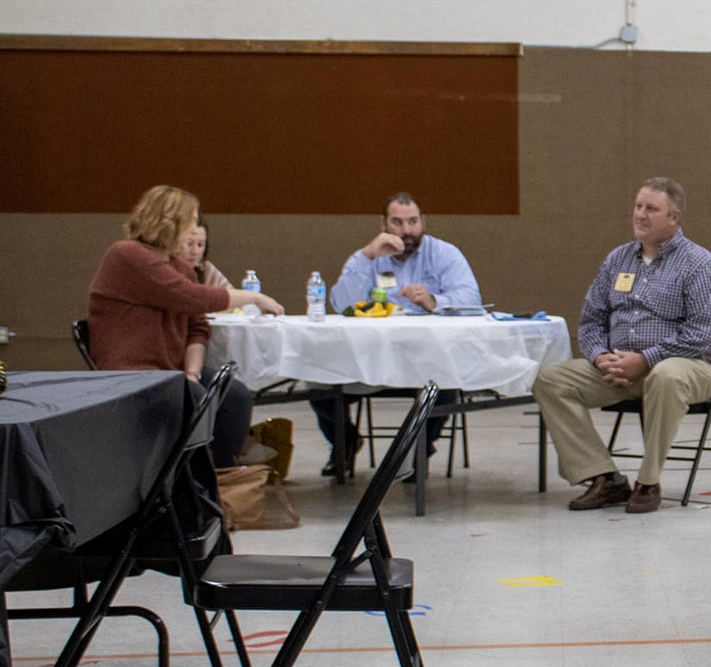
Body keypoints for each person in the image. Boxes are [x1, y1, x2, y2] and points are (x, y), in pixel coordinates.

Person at [533, 177, 711, 515]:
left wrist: (646, 359)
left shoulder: (699, 264)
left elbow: (705, 333)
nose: (641, 214)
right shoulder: (617, 260)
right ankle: (604, 477)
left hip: (688, 367)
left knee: (665, 376)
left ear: (674, 218)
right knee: (551, 380)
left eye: (651, 208)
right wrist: (600, 357)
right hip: (621, 369)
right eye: (638, 206)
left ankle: (648, 482)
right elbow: (591, 320)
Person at [86, 185, 283, 466]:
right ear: (170, 221)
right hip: (134, 375)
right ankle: (185, 478)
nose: (193, 228)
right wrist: (254, 297)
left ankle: (220, 475)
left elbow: (197, 326)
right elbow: (191, 296)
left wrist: (192, 372)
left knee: (235, 396)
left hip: (171, 373)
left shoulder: (179, 268)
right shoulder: (127, 255)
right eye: (190, 220)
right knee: (197, 400)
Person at [310, 193, 483, 477]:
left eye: (413, 222)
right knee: (317, 382)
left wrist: (435, 301)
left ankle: (418, 453)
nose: (406, 230)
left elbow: (472, 300)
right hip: (369, 358)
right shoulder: (367, 257)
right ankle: (345, 443)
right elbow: (341, 304)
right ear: (384, 224)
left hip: (427, 357)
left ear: (423, 222)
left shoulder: (445, 254)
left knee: (444, 382)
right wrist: (368, 256)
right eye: (398, 222)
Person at [176, 215, 230, 289]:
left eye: (200, 245)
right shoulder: (163, 272)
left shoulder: (207, 270)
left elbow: (230, 293)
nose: (195, 251)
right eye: (189, 244)